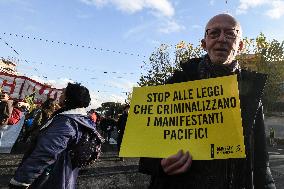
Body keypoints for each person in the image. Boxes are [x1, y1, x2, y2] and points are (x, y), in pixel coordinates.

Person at [139, 14, 276, 189]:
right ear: (204, 43)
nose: (221, 39)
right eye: (214, 33)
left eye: (230, 33)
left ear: (240, 45)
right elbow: (147, 147)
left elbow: (261, 163)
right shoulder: (176, 84)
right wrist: (159, 164)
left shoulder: (251, 95)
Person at [9, 83, 98, 189]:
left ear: (69, 98)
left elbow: (46, 153)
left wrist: (21, 181)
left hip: (49, 178)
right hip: (65, 174)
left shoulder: (66, 122)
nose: (59, 96)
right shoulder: (80, 118)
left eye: (63, 94)